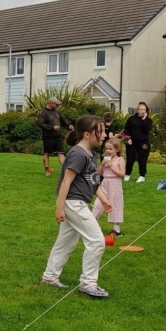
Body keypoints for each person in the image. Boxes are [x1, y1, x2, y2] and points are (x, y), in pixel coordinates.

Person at [41, 115, 112, 298]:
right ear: (87, 134)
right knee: (96, 241)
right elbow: (66, 181)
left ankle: (49, 277)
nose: (104, 135)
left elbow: (93, 181)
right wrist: (59, 207)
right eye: (101, 131)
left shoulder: (91, 154)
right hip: (73, 203)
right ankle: (88, 282)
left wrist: (104, 200)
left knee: (65, 242)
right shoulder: (78, 154)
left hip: (77, 203)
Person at [93, 137, 125, 236]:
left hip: (115, 184)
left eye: (110, 149)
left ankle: (116, 230)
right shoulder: (105, 159)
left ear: (117, 149)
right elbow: (99, 173)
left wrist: (112, 166)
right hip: (105, 183)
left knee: (115, 204)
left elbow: (122, 174)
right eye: (106, 149)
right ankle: (94, 226)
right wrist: (102, 165)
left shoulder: (120, 160)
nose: (108, 151)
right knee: (98, 203)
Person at [36, 97, 73, 177]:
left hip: (58, 137)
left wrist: (68, 124)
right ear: (50, 103)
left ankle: (67, 171)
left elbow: (62, 119)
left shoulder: (56, 111)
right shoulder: (43, 112)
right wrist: (52, 127)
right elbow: (40, 124)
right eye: (55, 104)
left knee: (61, 153)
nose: (57, 105)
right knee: (46, 153)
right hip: (48, 137)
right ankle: (47, 171)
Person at [122, 102, 152, 183]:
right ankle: (127, 174)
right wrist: (128, 138)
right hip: (132, 142)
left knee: (142, 159)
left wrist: (144, 120)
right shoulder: (131, 119)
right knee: (130, 159)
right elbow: (126, 129)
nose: (143, 111)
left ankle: (142, 176)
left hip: (143, 142)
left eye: (144, 109)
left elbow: (146, 130)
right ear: (137, 110)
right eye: (141, 109)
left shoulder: (148, 120)